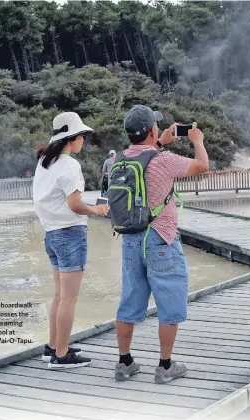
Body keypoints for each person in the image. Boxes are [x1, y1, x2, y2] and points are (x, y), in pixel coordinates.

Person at [114, 105, 209, 384]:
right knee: (169, 299)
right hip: (161, 238)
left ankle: (125, 363)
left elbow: (142, 152)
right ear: (152, 130)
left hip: (130, 239)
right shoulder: (163, 160)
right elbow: (202, 166)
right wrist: (198, 142)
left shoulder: (120, 159)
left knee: (129, 299)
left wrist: (160, 140)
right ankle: (165, 366)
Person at [33, 112, 110, 369]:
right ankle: (61, 356)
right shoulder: (69, 165)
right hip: (69, 234)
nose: (84, 142)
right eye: (82, 137)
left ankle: (53, 346)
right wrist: (96, 210)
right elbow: (75, 205)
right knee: (68, 299)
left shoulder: (45, 161)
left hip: (52, 234)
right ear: (72, 138)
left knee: (59, 296)